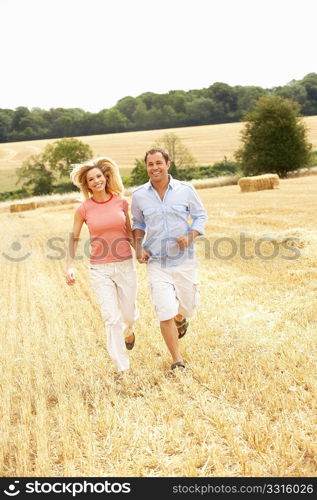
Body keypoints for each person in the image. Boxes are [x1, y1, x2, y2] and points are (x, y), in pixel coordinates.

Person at [131, 147, 207, 372]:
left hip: (184, 260)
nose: (154, 168)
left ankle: (181, 317)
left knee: (188, 305)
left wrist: (191, 235)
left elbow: (201, 215)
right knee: (164, 310)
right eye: (150, 164)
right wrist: (138, 247)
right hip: (156, 261)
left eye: (158, 163)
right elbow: (137, 223)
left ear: (167, 164)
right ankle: (177, 360)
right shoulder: (139, 195)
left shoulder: (185, 190)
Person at [65, 157, 138, 381]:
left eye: (99, 176)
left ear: (105, 178)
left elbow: (129, 232)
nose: (96, 181)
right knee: (111, 318)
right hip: (100, 269)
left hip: (125, 265)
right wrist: (69, 266)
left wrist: (142, 252)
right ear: (86, 185)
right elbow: (74, 237)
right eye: (91, 179)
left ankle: (131, 329)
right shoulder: (84, 209)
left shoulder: (120, 203)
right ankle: (123, 369)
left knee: (128, 314)